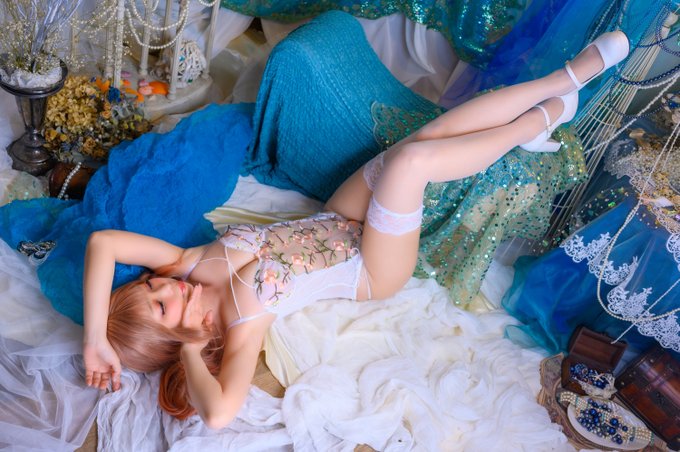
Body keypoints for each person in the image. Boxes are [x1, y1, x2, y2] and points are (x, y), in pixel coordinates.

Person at [83, 31, 629, 429]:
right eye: (161, 306)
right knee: (410, 165)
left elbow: (102, 244)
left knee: (423, 137)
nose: (162, 284)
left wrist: (94, 341)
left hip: (337, 217)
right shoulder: (239, 325)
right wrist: (189, 350)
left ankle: (559, 83)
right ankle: (537, 119)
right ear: (174, 336)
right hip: (373, 268)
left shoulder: (185, 262)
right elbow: (220, 414)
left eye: (148, 286)